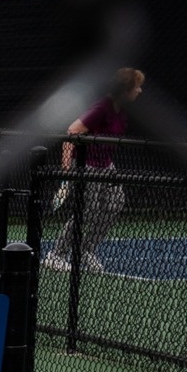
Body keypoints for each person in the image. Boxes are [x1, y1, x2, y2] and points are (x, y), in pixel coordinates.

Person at [55, 66, 145, 273]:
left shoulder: (123, 111)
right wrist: (66, 170)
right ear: (125, 90)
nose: (140, 91)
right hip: (87, 166)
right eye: (137, 87)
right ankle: (57, 254)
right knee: (88, 211)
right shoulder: (101, 108)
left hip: (107, 165)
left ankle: (87, 249)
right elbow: (72, 131)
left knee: (115, 203)